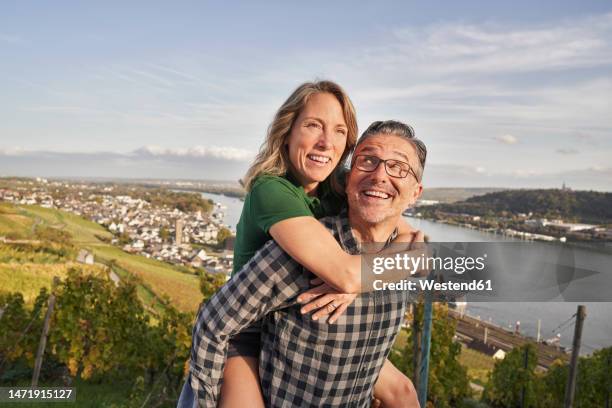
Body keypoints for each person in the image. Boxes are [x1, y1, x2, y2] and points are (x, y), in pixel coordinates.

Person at [184, 120, 426, 407]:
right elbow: (213, 322)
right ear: (347, 180)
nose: (379, 175)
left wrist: (364, 277)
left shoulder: (406, 251)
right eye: (368, 160)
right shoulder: (305, 252)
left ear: (415, 194)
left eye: (398, 167)